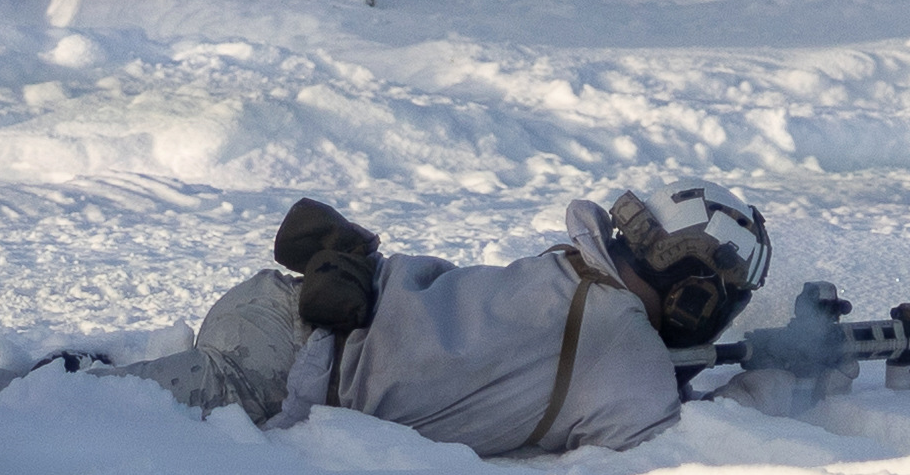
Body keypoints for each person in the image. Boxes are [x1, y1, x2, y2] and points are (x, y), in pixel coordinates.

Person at [166, 183, 772, 460]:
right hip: (285, 366)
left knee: (121, 400)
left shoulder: (573, 267)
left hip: (283, 306)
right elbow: (683, 451)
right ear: (694, 298)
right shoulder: (620, 343)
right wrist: (782, 378)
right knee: (97, 413)